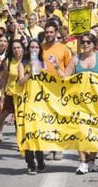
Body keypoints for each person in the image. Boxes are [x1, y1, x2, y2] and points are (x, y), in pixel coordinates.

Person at [49, 32, 98, 174]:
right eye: (83, 42)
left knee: (97, 133)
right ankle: (83, 162)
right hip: (79, 103)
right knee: (81, 132)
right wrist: (57, 67)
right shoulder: (75, 59)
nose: (85, 44)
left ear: (94, 44)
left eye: (88, 42)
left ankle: (91, 160)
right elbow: (65, 78)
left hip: (97, 103)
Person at [41, 21, 71, 161]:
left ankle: (58, 148)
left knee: (58, 119)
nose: (49, 35)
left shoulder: (64, 49)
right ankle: (49, 146)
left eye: (51, 32)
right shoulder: (40, 48)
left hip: (59, 88)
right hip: (44, 88)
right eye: (47, 32)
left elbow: (68, 69)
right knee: (47, 119)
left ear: (56, 33)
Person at [18, 39, 46, 174]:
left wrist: (40, 69)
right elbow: (20, 82)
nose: (34, 49)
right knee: (28, 133)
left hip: (40, 103)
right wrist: (29, 71)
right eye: (32, 47)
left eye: (36, 47)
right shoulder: (23, 64)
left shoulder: (43, 63)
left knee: (38, 133)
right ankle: (30, 164)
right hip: (27, 103)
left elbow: (48, 83)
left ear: (40, 49)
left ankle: (40, 159)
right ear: (28, 50)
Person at [0, 39, 26, 145]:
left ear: (23, 48)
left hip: (24, 94)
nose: (16, 50)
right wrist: (2, 95)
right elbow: (4, 79)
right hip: (10, 92)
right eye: (14, 48)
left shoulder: (27, 61)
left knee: (21, 118)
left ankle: (22, 140)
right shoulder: (8, 61)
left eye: (19, 47)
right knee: (3, 114)